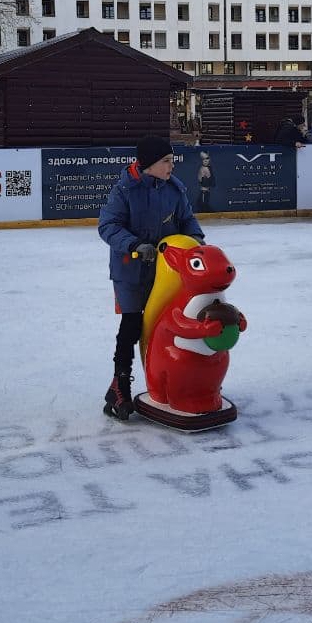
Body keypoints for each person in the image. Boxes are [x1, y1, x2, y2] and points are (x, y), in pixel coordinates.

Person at [97, 135, 204, 421]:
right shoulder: (124, 190)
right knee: (132, 326)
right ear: (149, 165)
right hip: (130, 271)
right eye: (166, 162)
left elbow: (187, 219)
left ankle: (174, 381)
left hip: (165, 273)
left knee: (166, 324)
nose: (171, 167)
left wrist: (195, 239)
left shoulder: (174, 189)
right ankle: (119, 384)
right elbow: (107, 225)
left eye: (171, 161)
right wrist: (133, 245)